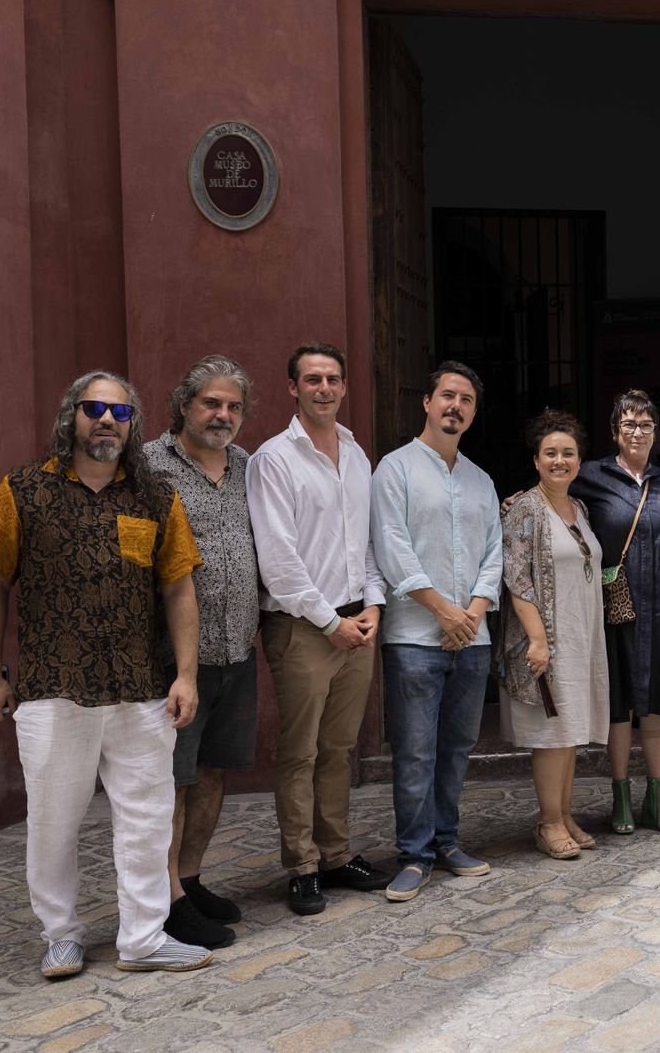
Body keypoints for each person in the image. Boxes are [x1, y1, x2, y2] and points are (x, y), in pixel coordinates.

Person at [0, 371, 212, 977]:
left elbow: (179, 588)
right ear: (71, 415)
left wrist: (186, 675)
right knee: (53, 820)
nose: (106, 421)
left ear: (132, 425)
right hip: (54, 688)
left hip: (139, 688)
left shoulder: (157, 496)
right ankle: (61, 934)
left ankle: (143, 937)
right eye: (94, 409)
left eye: (120, 412)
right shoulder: (24, 489)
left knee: (147, 818)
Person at [247, 343, 390, 914]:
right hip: (303, 627)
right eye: (313, 379)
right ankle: (301, 865)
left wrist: (373, 605)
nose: (324, 388)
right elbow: (277, 559)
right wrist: (330, 622)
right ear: (293, 388)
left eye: (333, 379)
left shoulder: (357, 455)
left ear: (344, 386)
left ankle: (335, 855)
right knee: (301, 752)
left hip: (357, 622)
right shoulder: (274, 459)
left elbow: (369, 542)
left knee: (340, 747)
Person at [370, 362, 502, 902]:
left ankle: (447, 841)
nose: (456, 406)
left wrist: (470, 612)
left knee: (457, 748)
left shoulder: (481, 480)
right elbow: (391, 548)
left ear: (473, 411)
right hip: (413, 638)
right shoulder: (394, 470)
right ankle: (414, 853)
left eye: (466, 399)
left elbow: (494, 554)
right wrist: (444, 612)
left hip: (474, 637)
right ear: (426, 401)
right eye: (447, 396)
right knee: (416, 750)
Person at [143, 356, 260, 949]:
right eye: (212, 403)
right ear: (184, 404)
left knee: (213, 774)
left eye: (234, 406)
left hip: (237, 649)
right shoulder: (146, 465)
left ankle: (188, 879)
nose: (224, 415)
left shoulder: (246, 465)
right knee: (174, 781)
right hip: (172, 660)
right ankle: (164, 900)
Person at [573, 390, 660, 835]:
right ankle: (621, 797)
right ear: (615, 431)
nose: (638, 432)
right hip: (614, 611)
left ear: (655, 432)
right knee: (619, 705)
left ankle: (658, 797)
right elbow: (552, 499)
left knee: (659, 705)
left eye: (646, 425)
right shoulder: (590, 477)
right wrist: (515, 502)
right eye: (629, 424)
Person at [498, 409, 611, 859]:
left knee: (569, 731)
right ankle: (547, 823)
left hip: (580, 633)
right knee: (551, 735)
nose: (559, 460)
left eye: (568, 453)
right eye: (551, 454)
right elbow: (516, 578)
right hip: (546, 638)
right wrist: (538, 640)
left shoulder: (578, 508)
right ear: (536, 460)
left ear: (579, 461)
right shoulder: (526, 507)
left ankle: (564, 814)